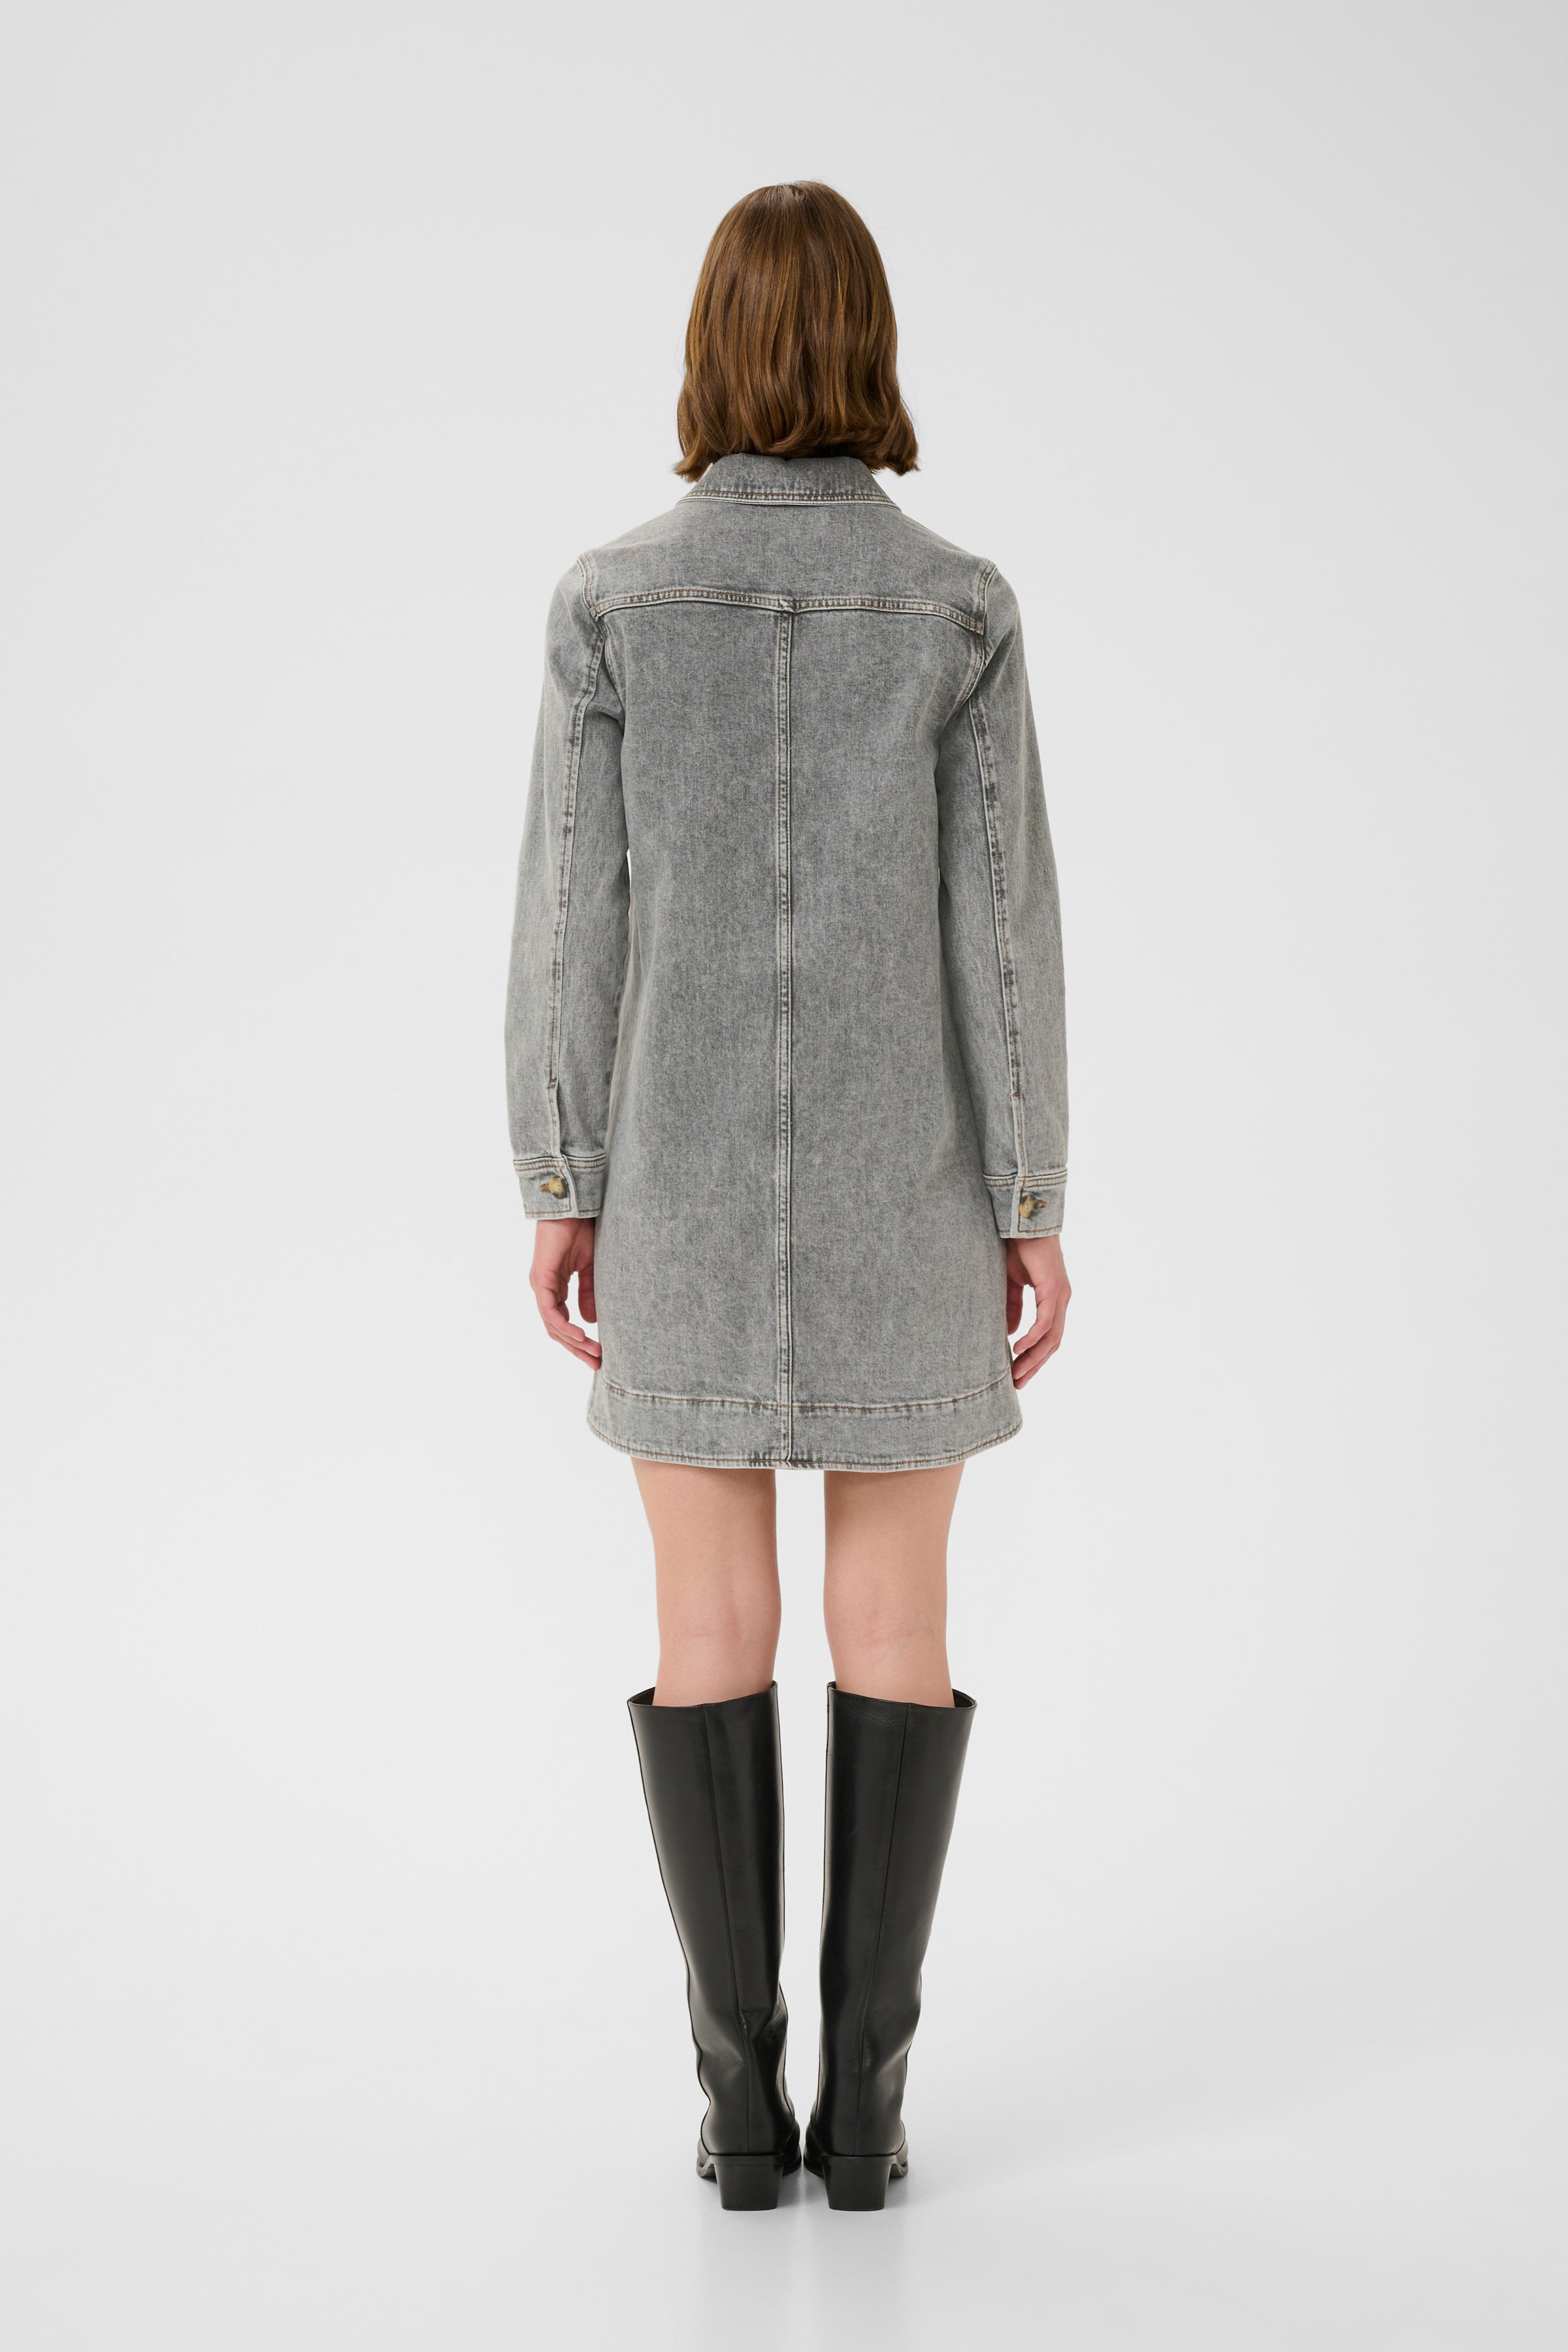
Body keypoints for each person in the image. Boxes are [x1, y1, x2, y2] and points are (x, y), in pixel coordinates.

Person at [504, 182, 1070, 2211]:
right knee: (894, 1613)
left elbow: (574, 918)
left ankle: (741, 2114)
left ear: (712, 349)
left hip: (670, 1176)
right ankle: (870, 2116)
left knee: (707, 1614)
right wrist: (1029, 1194)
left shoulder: (609, 603)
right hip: (911, 1183)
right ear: (871, 347)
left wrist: (562, 1173)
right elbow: (999, 929)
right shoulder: (960, 610)